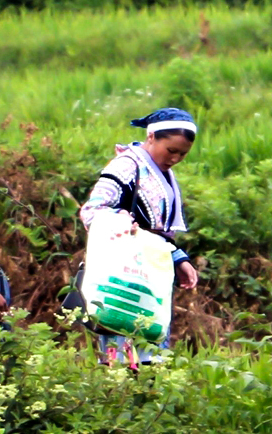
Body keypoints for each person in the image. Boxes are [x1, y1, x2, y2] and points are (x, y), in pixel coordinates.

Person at [76, 107, 202, 369]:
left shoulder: (161, 171)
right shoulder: (127, 165)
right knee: (120, 339)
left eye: (183, 154)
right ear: (152, 136)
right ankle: (120, 397)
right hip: (122, 271)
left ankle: (145, 400)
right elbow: (93, 209)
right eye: (171, 151)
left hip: (151, 273)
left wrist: (179, 259)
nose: (176, 158)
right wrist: (119, 220)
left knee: (151, 341)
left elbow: (158, 229)